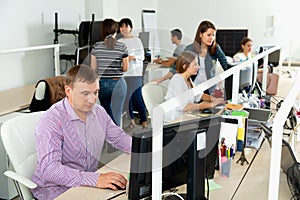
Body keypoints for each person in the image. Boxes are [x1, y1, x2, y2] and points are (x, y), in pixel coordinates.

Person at [31, 65, 132, 200]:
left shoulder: (99, 112)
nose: (92, 100)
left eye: (95, 92)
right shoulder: (52, 121)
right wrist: (95, 179)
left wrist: (147, 150)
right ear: (69, 91)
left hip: (85, 183)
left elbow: (119, 138)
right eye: (85, 93)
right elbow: (50, 170)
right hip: (54, 190)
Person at [90, 18, 129, 127]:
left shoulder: (96, 47)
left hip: (102, 84)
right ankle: (117, 141)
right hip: (118, 84)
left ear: (102, 31)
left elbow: (93, 68)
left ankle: (107, 141)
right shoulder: (122, 46)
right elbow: (125, 68)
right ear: (115, 31)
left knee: (106, 116)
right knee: (117, 116)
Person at [118, 18, 148, 130]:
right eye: (122, 26)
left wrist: (132, 57)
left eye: (126, 26)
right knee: (126, 99)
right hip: (124, 74)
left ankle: (144, 122)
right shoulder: (119, 42)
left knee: (137, 98)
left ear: (131, 28)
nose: (124, 29)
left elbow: (142, 56)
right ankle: (132, 122)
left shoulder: (137, 40)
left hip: (135, 74)